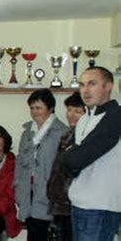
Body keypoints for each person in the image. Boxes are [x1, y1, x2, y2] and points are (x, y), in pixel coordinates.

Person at [60, 67, 120, 241]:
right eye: (82, 85)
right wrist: (70, 156)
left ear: (108, 86)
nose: (85, 90)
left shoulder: (115, 115)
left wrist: (68, 156)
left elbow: (76, 159)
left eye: (92, 84)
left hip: (101, 206)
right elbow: (71, 158)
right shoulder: (85, 118)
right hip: (80, 202)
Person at [14, 89, 69, 241]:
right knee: (33, 233)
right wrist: (17, 186)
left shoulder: (62, 132)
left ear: (50, 108)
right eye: (32, 108)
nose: (34, 112)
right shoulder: (27, 132)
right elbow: (20, 162)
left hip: (49, 194)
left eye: (39, 108)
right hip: (27, 192)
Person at [46, 91, 85, 241]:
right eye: (69, 109)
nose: (71, 115)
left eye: (77, 111)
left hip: (74, 206)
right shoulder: (67, 136)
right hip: (59, 205)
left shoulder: (87, 139)